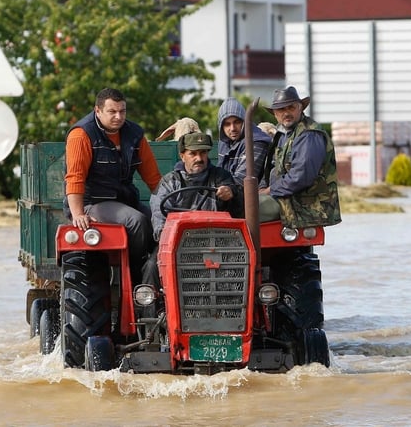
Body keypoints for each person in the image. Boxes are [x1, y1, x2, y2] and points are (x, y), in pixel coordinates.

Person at [63, 87, 162, 273]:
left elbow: (154, 178)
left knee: (161, 223)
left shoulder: (135, 134)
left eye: (122, 111)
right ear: (97, 111)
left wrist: (170, 211)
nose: (118, 117)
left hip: (125, 200)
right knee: (137, 221)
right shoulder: (81, 135)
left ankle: (158, 270)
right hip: (93, 203)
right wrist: (77, 214)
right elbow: (75, 177)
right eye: (112, 111)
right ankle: (137, 274)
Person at [142, 132, 243, 289]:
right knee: (151, 267)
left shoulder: (220, 177)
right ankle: (152, 308)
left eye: (203, 153)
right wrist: (164, 236)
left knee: (239, 265)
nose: (199, 158)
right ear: (182, 156)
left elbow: (236, 203)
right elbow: (158, 211)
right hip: (177, 242)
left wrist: (230, 193)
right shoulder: (170, 181)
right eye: (193, 153)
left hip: (215, 242)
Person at [259, 86, 342, 228]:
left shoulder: (309, 135)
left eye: (290, 108)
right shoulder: (283, 134)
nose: (286, 113)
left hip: (308, 208)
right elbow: (273, 169)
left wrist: (268, 191)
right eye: (281, 110)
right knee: (239, 203)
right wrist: (260, 188)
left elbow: (301, 177)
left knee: (248, 210)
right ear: (274, 114)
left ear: (300, 108)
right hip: (288, 199)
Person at [216, 97, 273, 186]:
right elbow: (217, 175)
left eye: (237, 122)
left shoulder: (256, 142)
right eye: (227, 124)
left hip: (255, 196)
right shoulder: (224, 142)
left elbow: (241, 181)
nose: (232, 128)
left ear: (245, 121)